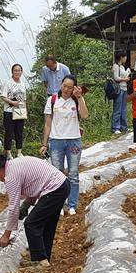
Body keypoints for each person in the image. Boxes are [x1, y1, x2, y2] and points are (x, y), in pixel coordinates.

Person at [0, 154, 70, 269]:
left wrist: (6, 235)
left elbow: (13, 207)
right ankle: (44, 259)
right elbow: (35, 184)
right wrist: (26, 205)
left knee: (31, 223)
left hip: (54, 189)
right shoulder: (15, 164)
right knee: (47, 224)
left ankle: (40, 261)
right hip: (63, 184)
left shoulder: (11, 176)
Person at [40, 74, 88, 215]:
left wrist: (79, 97)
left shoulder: (76, 100)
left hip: (74, 140)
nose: (66, 89)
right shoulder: (53, 100)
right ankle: (59, 204)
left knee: (73, 173)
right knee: (57, 174)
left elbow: (85, 115)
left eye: (70, 87)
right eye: (64, 86)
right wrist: (44, 143)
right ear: (61, 84)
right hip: (56, 141)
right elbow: (47, 124)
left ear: (75, 88)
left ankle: (72, 204)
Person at [1, 64, 27, 159]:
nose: (17, 72)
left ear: (21, 72)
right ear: (12, 72)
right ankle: (8, 152)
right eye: (15, 70)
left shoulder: (23, 84)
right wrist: (12, 102)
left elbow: (24, 99)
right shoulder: (8, 83)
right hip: (9, 111)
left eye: (19, 70)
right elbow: (3, 96)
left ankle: (19, 152)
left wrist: (25, 110)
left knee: (19, 132)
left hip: (20, 111)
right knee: (9, 133)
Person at [111, 50, 131, 134]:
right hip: (119, 89)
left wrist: (128, 72)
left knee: (123, 109)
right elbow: (116, 78)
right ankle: (115, 127)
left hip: (124, 89)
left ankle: (124, 127)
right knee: (117, 108)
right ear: (121, 57)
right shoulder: (116, 66)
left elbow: (123, 75)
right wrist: (125, 79)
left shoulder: (122, 67)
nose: (126, 58)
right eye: (125, 56)